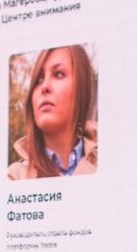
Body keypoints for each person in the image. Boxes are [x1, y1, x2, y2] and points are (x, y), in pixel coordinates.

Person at [7, 45, 98, 179]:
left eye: (58, 74)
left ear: (81, 88)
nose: (44, 86)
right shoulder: (15, 176)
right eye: (39, 79)